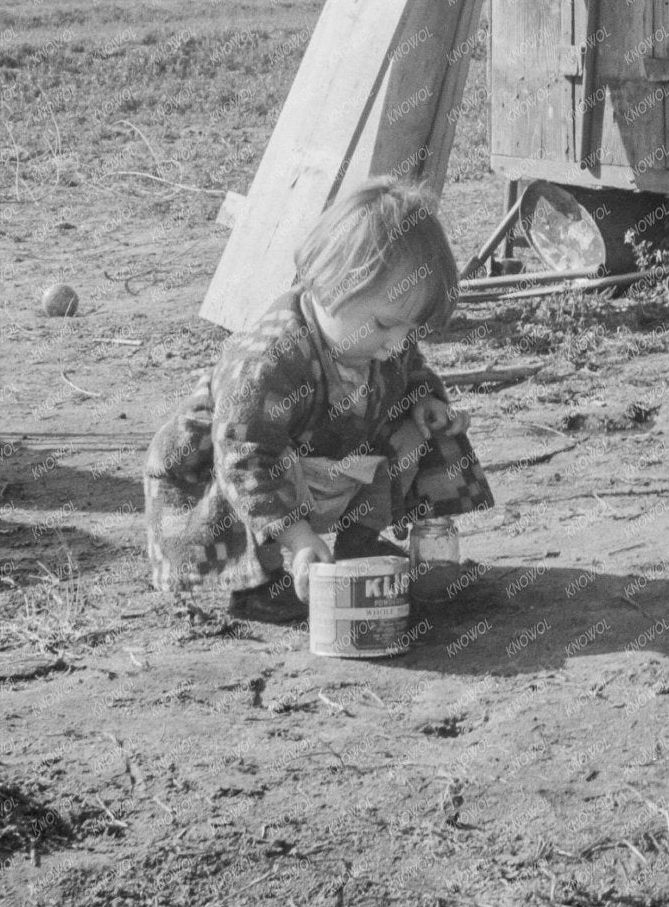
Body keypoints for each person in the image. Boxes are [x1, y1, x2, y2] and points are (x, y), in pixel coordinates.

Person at [142, 179, 478, 606]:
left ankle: (360, 541)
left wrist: (425, 402)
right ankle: (259, 583)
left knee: (410, 431)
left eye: (411, 330)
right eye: (385, 326)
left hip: (320, 460)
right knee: (257, 462)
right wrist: (299, 537)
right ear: (333, 285)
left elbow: (411, 371)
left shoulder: (382, 343)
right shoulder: (268, 361)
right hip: (225, 469)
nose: (397, 344)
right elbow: (243, 457)